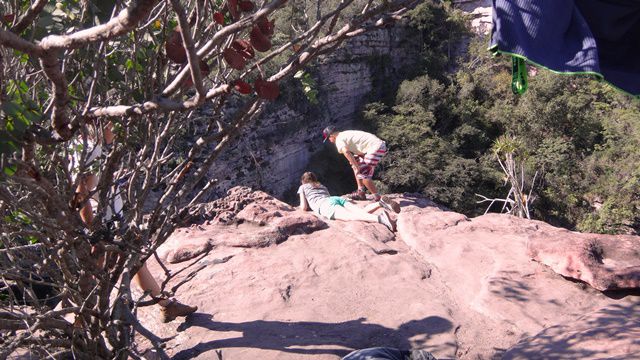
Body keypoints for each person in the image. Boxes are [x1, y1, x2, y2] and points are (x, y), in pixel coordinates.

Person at [73, 121, 197, 323]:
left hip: (111, 218)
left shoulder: (90, 147)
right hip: (103, 222)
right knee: (102, 270)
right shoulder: (87, 150)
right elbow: (80, 190)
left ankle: (166, 306)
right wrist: (91, 225)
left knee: (134, 261)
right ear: (99, 125)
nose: (115, 129)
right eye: (111, 125)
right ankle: (83, 323)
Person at [322, 126, 400, 214]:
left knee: (363, 173)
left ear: (332, 135)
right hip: (377, 146)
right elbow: (360, 145)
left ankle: (378, 198)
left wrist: (356, 166)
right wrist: (355, 164)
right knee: (357, 163)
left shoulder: (339, 139)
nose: (329, 141)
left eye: (329, 138)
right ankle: (361, 192)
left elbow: (346, 152)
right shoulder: (345, 134)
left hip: (376, 147)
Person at [297, 171, 396, 231]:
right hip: (335, 199)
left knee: (350, 217)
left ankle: (381, 219)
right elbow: (328, 197)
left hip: (324, 205)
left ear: (303, 181)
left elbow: (303, 207)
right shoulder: (321, 186)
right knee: (360, 212)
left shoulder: (303, 187)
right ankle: (380, 203)